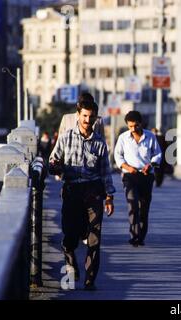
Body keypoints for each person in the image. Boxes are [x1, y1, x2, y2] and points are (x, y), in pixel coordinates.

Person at [49, 98, 115, 291]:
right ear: (78, 115)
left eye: (91, 116)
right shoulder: (66, 137)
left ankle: (90, 279)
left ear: (95, 118)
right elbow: (53, 159)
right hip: (72, 192)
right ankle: (70, 261)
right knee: (70, 235)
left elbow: (105, 173)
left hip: (93, 193)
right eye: (84, 116)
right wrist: (55, 167)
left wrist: (109, 197)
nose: (87, 120)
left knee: (94, 239)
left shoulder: (100, 144)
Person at [114, 111, 162, 247]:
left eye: (135, 126)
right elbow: (118, 156)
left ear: (141, 124)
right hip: (130, 176)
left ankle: (141, 236)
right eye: (130, 126)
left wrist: (151, 164)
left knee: (144, 208)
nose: (133, 129)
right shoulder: (123, 138)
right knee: (133, 204)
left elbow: (157, 154)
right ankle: (134, 235)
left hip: (146, 176)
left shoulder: (150, 137)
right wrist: (127, 167)